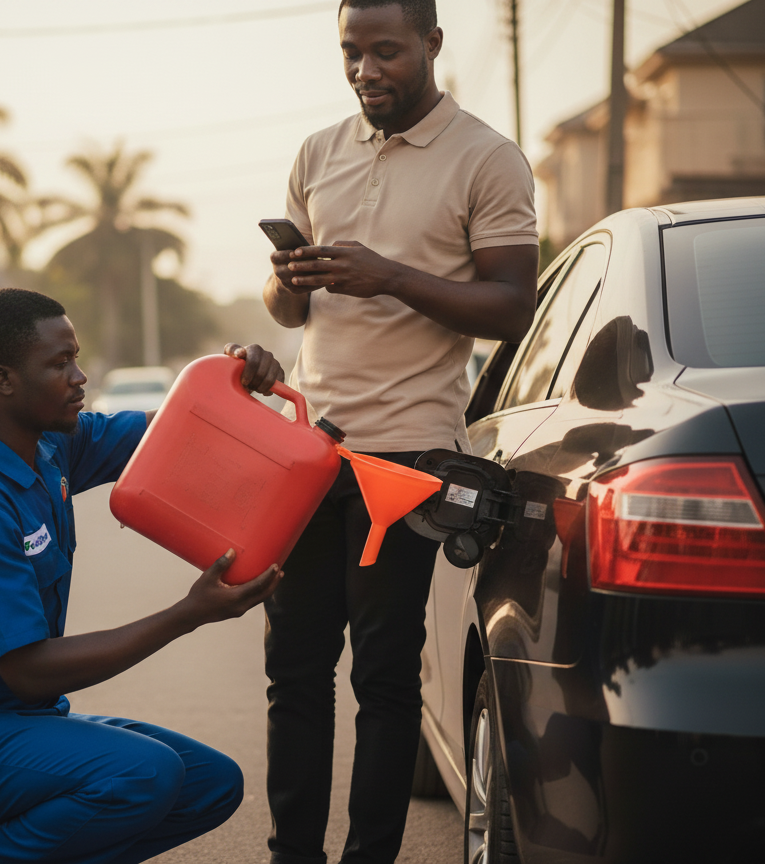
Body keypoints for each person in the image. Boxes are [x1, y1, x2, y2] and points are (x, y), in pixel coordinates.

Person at [260, 2, 539, 863]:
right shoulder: (318, 152)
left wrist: (389, 277)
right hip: (312, 447)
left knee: (384, 678)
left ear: (431, 44)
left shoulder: (487, 158)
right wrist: (292, 281)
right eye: (351, 51)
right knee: (294, 673)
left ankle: (367, 857)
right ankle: (292, 854)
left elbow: (511, 305)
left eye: (385, 51)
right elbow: (286, 309)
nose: (365, 69)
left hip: (411, 457)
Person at [0, 287, 286, 864]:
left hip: (18, 720)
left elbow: (177, 425)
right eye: (59, 363)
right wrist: (185, 615)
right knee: (145, 776)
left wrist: (231, 379)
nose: (80, 376)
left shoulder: (48, 446)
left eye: (76, 358)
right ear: (3, 379)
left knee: (208, 785)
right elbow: (29, 671)